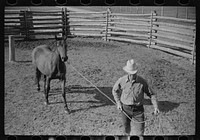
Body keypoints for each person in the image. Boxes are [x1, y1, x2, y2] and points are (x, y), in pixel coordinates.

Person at [112, 59, 160, 135]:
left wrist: (156, 107)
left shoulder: (142, 82)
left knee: (140, 133)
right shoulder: (122, 80)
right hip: (125, 110)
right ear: (127, 72)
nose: (132, 76)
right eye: (131, 74)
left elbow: (152, 94)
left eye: (134, 74)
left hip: (138, 111)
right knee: (126, 131)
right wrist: (118, 103)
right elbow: (114, 90)